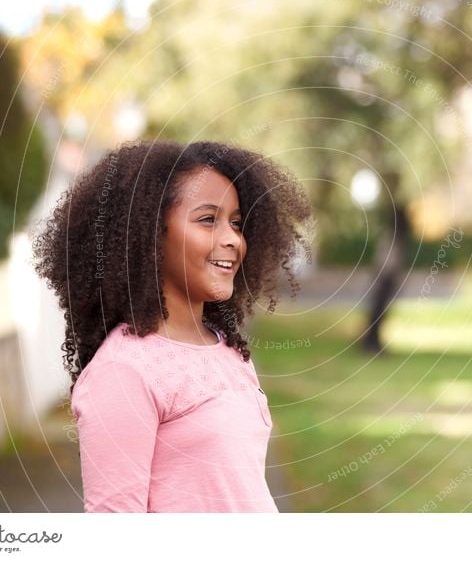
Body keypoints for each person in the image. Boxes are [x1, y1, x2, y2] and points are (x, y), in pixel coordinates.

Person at [31, 140, 312, 512]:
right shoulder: (124, 371)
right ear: (149, 233)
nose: (232, 239)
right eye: (208, 219)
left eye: (236, 223)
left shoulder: (226, 350)